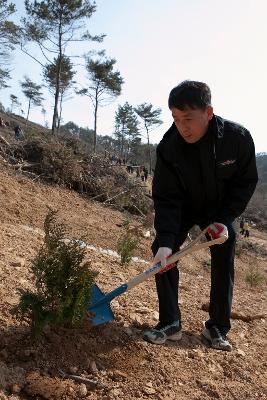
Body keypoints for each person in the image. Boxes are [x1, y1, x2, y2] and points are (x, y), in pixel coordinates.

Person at [143, 80, 258, 351]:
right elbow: (166, 198)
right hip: (182, 207)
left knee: (224, 248)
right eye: (175, 118)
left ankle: (217, 326)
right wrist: (167, 241)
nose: (182, 126)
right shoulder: (169, 147)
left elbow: (245, 182)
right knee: (163, 251)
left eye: (188, 118)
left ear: (208, 113)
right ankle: (170, 322)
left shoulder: (237, 139)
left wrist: (225, 217)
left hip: (218, 209)